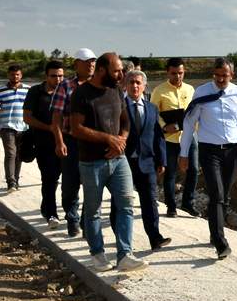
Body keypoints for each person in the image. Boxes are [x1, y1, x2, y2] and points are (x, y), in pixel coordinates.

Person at [70, 51, 147, 273]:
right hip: (92, 162)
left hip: (118, 160)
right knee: (93, 211)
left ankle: (125, 255)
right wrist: (108, 139)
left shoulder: (115, 90)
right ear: (102, 70)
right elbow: (76, 128)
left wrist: (120, 141)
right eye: (116, 70)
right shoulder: (81, 94)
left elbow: (125, 122)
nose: (121, 74)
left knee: (126, 205)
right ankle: (98, 254)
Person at [179, 57, 237, 259]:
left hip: (232, 151)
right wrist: (184, 153)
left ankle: (215, 232)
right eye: (217, 75)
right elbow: (189, 124)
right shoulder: (202, 93)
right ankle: (221, 242)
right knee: (216, 194)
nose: (220, 79)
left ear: (232, 75)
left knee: (225, 195)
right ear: (213, 74)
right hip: (209, 151)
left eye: (225, 75)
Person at [122, 69, 171, 250]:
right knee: (120, 202)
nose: (135, 86)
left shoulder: (152, 108)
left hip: (148, 162)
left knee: (150, 201)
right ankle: (121, 239)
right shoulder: (118, 107)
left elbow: (158, 136)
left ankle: (155, 238)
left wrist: (162, 161)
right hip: (123, 163)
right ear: (125, 86)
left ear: (144, 86)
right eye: (131, 82)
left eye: (138, 83)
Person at [51, 48, 95, 238]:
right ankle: (72, 218)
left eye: (93, 61)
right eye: (86, 62)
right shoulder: (66, 86)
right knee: (70, 184)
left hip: (93, 142)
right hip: (71, 141)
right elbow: (56, 118)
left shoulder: (99, 86)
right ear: (76, 64)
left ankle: (87, 221)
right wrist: (59, 141)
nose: (91, 65)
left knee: (93, 184)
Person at [150, 57, 197, 218]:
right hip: (169, 139)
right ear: (167, 73)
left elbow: (196, 112)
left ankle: (188, 203)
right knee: (170, 173)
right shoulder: (159, 91)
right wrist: (164, 127)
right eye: (174, 73)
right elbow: (153, 113)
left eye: (181, 73)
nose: (177, 76)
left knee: (193, 170)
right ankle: (171, 206)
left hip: (189, 137)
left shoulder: (191, 90)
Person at [23, 60, 64, 228]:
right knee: (49, 179)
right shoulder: (36, 92)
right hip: (43, 143)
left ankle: (49, 207)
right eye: (54, 76)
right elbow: (27, 117)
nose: (58, 79)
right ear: (46, 76)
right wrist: (49, 128)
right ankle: (51, 214)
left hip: (66, 143)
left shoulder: (68, 91)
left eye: (61, 76)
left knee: (68, 181)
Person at [0, 63, 29, 191]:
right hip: (6, 127)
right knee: (11, 153)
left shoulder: (28, 89)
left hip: (24, 127)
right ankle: (10, 182)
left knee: (19, 155)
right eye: (12, 74)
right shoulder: (0, 91)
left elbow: (32, 109)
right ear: (8, 75)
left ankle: (16, 180)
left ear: (21, 75)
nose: (15, 76)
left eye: (17, 74)